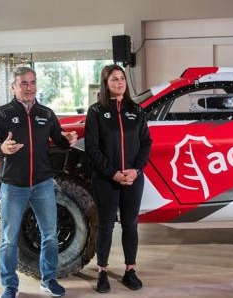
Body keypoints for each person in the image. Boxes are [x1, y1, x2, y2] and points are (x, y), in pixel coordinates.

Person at [0, 66, 77, 298]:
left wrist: (68, 140)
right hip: (13, 186)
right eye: (23, 83)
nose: (29, 87)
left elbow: (58, 141)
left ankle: (48, 279)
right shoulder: (2, 114)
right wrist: (1, 149)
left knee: (50, 235)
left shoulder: (46, 113)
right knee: (8, 239)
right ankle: (10, 286)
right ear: (13, 87)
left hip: (43, 184)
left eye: (32, 82)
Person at [84, 64, 152, 293]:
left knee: (130, 225)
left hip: (133, 178)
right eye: (114, 79)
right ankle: (102, 271)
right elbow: (92, 148)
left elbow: (146, 143)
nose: (119, 82)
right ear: (106, 83)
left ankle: (130, 270)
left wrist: (136, 170)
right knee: (105, 226)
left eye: (121, 78)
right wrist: (112, 172)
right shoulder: (96, 111)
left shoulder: (137, 110)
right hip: (105, 179)